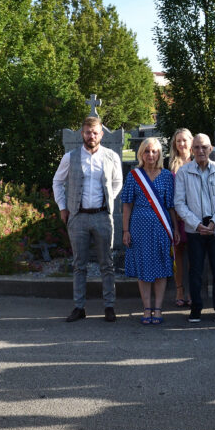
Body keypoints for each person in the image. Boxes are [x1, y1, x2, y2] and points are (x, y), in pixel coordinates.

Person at [52, 116, 123, 323]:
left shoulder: (111, 156)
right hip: (78, 216)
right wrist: (63, 207)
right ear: (82, 134)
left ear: (101, 134)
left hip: (102, 216)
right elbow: (57, 182)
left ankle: (109, 306)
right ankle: (79, 306)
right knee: (79, 264)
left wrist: (109, 199)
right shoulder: (70, 157)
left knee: (107, 264)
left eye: (95, 132)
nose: (91, 136)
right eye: (87, 132)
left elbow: (117, 181)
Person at [175, 133, 215, 324]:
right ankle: (196, 309)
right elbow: (179, 203)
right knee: (195, 271)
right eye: (197, 147)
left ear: (210, 149)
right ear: (192, 149)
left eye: (204, 147)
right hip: (195, 230)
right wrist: (196, 224)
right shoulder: (184, 172)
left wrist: (214, 222)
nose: (201, 151)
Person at [122, 137, 180, 324]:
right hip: (139, 228)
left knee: (161, 268)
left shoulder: (166, 176)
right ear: (141, 154)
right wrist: (125, 230)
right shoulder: (134, 175)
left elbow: (171, 205)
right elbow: (127, 205)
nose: (151, 155)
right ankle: (146, 308)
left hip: (162, 228)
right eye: (147, 151)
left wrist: (176, 229)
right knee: (143, 268)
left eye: (154, 151)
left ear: (160, 153)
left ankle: (158, 308)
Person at [167, 128, 193, 307]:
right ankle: (179, 289)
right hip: (177, 217)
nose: (182, 144)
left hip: (194, 216)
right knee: (178, 254)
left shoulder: (198, 160)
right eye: (178, 141)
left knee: (194, 256)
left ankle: (192, 290)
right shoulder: (171, 165)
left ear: (191, 141)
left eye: (184, 140)